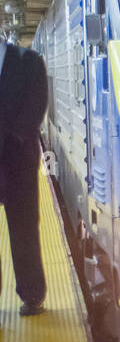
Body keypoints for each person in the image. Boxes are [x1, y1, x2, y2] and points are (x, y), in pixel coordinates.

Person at [0, 39, 49, 315]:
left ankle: (32, 295)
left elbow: (37, 103)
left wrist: (14, 136)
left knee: (24, 227)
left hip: (19, 158)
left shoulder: (28, 60)